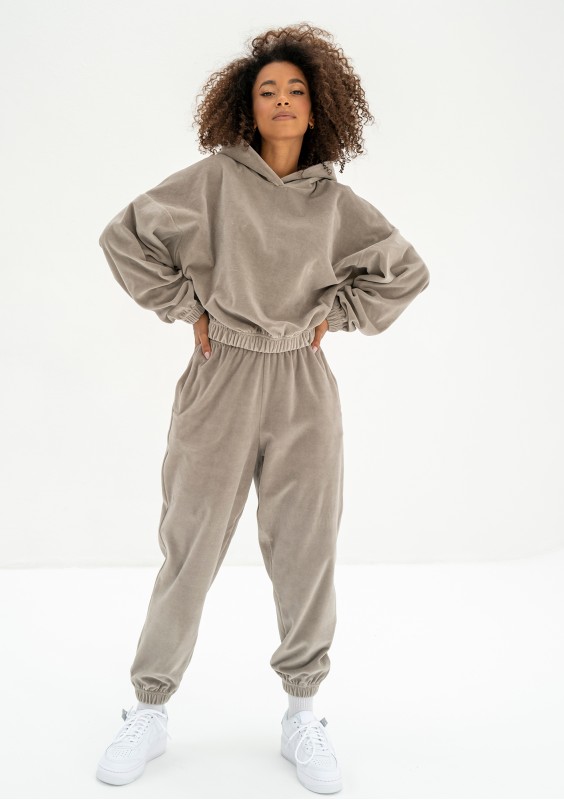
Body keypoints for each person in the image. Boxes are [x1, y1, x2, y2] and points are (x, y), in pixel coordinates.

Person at [95, 22, 430, 795]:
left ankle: (302, 714)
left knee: (307, 551)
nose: (282, 100)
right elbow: (124, 237)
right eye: (267, 90)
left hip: (302, 383)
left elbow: (405, 272)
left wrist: (336, 315)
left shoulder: (336, 204)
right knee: (189, 545)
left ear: (318, 108)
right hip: (222, 373)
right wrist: (188, 306)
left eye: (296, 90)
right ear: (247, 109)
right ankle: (150, 708)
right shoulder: (213, 182)